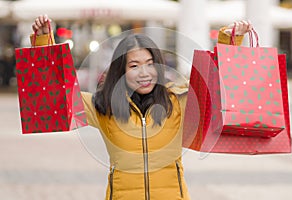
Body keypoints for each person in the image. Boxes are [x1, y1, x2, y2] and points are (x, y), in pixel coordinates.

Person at [31, 14, 252, 200]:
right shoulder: (103, 106)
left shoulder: (178, 100)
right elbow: (54, 99)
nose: (144, 73)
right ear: (121, 71)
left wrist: (229, 41)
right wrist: (43, 43)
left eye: (149, 64)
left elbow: (218, 86)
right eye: (134, 66)